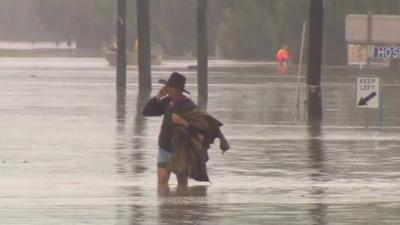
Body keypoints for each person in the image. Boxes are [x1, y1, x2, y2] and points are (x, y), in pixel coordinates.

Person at [142, 72, 229, 191]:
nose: (167, 89)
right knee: (162, 182)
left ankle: (184, 206)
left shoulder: (189, 106)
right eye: (167, 86)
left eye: (170, 87)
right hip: (164, 147)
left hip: (181, 149)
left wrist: (183, 122)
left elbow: (201, 130)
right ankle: (163, 208)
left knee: (182, 183)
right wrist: (158, 97)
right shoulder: (166, 101)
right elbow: (147, 112)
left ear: (178, 89)